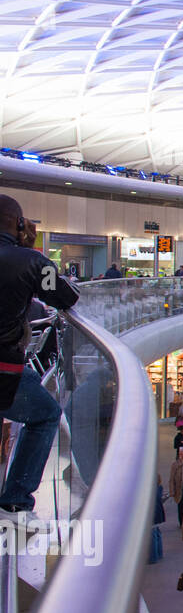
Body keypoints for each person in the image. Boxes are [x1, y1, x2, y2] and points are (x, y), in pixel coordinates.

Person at [0, 195, 80, 532]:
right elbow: (66, 297)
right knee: (46, 415)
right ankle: (16, 502)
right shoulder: (32, 261)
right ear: (19, 225)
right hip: (4, 370)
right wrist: (34, 251)